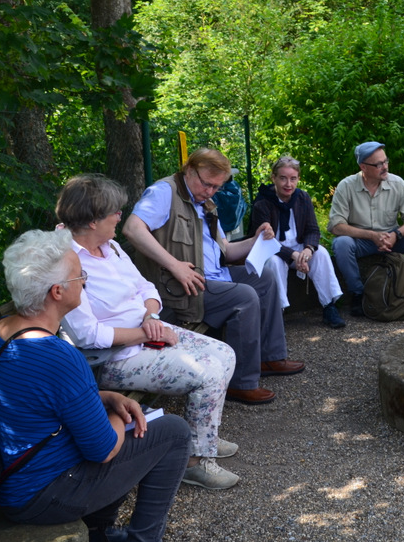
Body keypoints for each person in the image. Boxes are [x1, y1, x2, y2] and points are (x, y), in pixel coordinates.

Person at [0, 228, 190, 542]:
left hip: (16, 478)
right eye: (79, 275)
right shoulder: (58, 356)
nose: (85, 280)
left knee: (134, 422)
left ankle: (100, 533)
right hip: (45, 494)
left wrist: (106, 396)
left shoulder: (1, 331)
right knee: (174, 432)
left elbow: (42, 396)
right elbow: (104, 450)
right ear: (57, 291)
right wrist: (116, 413)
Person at [55, 174, 239, 490]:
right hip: (112, 357)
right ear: (92, 221)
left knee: (224, 353)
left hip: (148, 331)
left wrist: (151, 316)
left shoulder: (110, 247)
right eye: (114, 212)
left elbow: (146, 287)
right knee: (207, 373)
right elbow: (88, 335)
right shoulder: (67, 263)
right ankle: (194, 462)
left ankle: (203, 436)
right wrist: (147, 334)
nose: (120, 217)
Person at [122, 148, 304, 407]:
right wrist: (175, 265)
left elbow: (227, 251)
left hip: (215, 276)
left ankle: (270, 357)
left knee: (265, 277)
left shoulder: (205, 203)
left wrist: (256, 239)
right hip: (182, 286)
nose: (210, 191)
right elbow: (132, 229)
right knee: (245, 296)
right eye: (206, 184)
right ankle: (241, 382)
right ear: (189, 170)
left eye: (216, 187)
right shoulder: (164, 191)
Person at [328, 142, 404, 317]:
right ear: (363, 167)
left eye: (385, 161)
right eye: (378, 164)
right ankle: (358, 294)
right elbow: (336, 225)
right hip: (361, 240)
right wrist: (371, 235)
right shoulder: (346, 186)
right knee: (341, 244)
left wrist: (396, 235)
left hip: (392, 238)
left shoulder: (397, 183)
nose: (385, 167)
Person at [250, 156, 345, 329]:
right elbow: (265, 241)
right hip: (274, 251)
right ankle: (277, 312)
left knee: (321, 253)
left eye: (293, 179)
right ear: (273, 178)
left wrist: (308, 249)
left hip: (299, 248)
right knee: (274, 262)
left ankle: (329, 305)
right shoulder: (262, 203)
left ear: (298, 179)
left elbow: (313, 230)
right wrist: (293, 255)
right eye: (283, 178)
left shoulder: (302, 198)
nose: (288, 184)